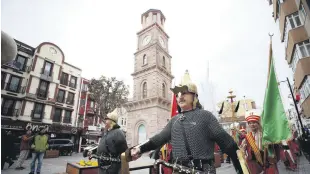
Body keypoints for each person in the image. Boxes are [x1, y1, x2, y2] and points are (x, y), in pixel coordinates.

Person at [129, 70, 243, 174]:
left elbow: (228, 144)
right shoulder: (174, 121)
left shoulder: (206, 117)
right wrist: (139, 148)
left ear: (194, 96)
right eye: (177, 94)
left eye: (184, 93)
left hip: (203, 171)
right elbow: (158, 139)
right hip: (178, 170)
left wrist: (240, 168)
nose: (180, 97)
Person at [240, 109, 280, 174]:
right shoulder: (247, 137)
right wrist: (243, 150)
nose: (252, 125)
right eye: (250, 123)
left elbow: (276, 145)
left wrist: (271, 144)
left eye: (254, 122)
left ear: (258, 123)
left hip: (267, 162)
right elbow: (243, 151)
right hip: (255, 164)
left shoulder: (265, 134)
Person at [97, 109, 128, 174]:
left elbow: (124, 153)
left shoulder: (118, 133)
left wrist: (123, 171)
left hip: (112, 170)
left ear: (112, 121)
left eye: (107, 119)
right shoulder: (107, 132)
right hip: (103, 169)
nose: (105, 121)